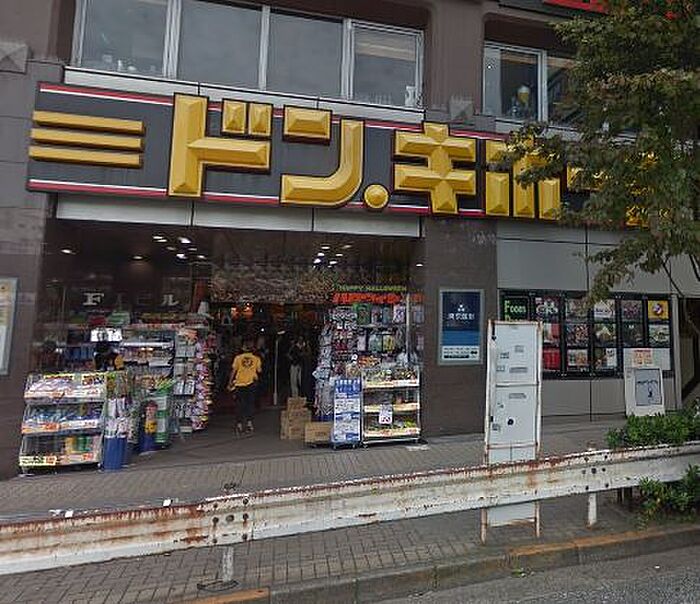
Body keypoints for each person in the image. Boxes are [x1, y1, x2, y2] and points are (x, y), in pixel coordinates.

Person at [228, 340, 262, 434]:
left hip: (239, 384)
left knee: (239, 404)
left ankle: (239, 424)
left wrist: (230, 382)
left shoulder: (238, 358)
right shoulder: (256, 359)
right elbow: (259, 370)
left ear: (243, 348)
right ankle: (249, 424)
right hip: (251, 384)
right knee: (250, 404)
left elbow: (233, 371)